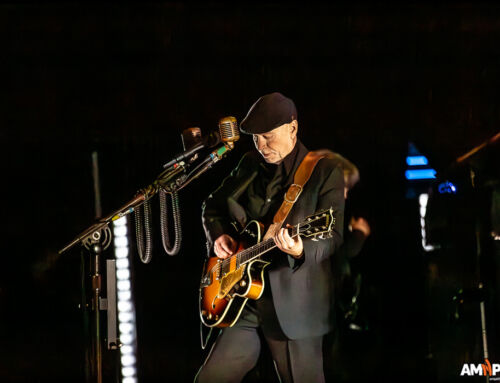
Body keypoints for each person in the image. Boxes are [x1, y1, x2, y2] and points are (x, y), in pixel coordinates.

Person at [195, 92, 345, 383]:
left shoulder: (324, 171)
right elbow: (211, 207)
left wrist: (302, 249)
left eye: (267, 136)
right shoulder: (250, 164)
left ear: (293, 128)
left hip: (295, 306)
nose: (261, 146)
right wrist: (218, 237)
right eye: (255, 138)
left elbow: (334, 235)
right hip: (243, 299)